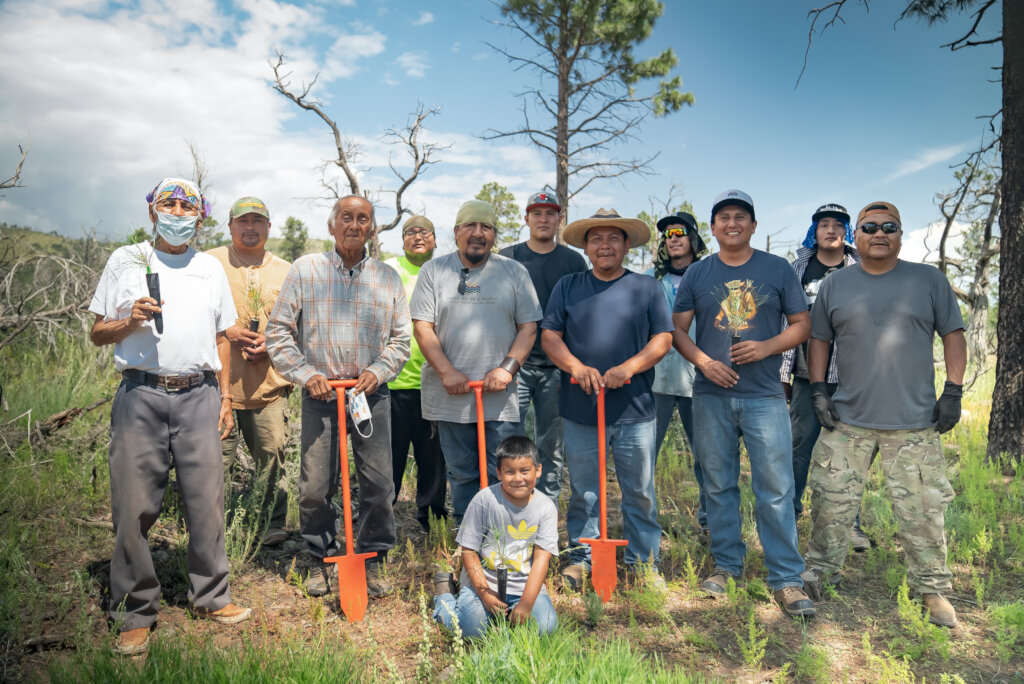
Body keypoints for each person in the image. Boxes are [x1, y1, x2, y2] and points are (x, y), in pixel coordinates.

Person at [89, 177, 249, 655]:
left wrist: (223, 397)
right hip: (141, 395)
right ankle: (135, 610)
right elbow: (98, 332)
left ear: (199, 217)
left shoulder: (208, 268)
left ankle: (211, 596)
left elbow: (223, 333)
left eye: (187, 205)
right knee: (133, 505)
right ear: (153, 211)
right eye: (168, 203)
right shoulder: (127, 260)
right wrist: (129, 321)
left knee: (206, 501)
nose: (177, 211)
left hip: (199, 396)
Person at [801, 201, 966, 628]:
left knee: (924, 511)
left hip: (914, 423)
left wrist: (953, 390)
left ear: (900, 234)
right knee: (830, 502)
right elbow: (818, 339)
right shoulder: (837, 284)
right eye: (869, 226)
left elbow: (953, 334)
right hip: (848, 419)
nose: (879, 233)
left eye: (888, 226)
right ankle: (820, 570)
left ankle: (932, 590)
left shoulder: (928, 280)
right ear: (857, 234)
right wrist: (818, 389)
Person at [672, 189, 816, 618]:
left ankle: (787, 578)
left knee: (774, 487)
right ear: (713, 228)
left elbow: (802, 324)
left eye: (741, 217)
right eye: (723, 218)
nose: (732, 223)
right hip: (711, 394)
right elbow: (678, 330)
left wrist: (767, 347)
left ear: (753, 225)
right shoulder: (699, 273)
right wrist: (703, 362)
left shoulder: (776, 269)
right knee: (718, 484)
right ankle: (727, 566)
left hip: (764, 396)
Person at [266, 195, 409, 599]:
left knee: (379, 484)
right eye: (346, 217)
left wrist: (377, 372)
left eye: (363, 219)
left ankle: (373, 556)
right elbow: (277, 332)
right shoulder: (306, 270)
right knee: (315, 486)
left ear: (372, 229)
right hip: (322, 395)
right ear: (332, 226)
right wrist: (307, 374)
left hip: (369, 396)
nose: (354, 225)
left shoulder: (387, 278)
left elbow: (401, 341)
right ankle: (322, 557)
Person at [541, 208, 673, 591]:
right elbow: (550, 336)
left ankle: (644, 562)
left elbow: (662, 339)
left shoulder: (647, 288)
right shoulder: (568, 286)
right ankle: (582, 557)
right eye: (596, 239)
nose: (605, 245)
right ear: (585, 246)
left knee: (640, 490)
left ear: (626, 244)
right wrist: (575, 367)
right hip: (582, 408)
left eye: (613, 238)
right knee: (584, 490)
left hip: (635, 409)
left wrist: (629, 368)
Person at [409, 200, 541, 523]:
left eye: (486, 227)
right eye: (470, 226)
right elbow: (422, 327)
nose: (478, 233)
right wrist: (447, 372)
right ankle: (468, 537)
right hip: (450, 395)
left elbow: (529, 327)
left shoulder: (513, 272)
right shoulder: (434, 271)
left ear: (494, 235)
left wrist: (507, 369)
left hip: (501, 397)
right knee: (463, 472)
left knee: (507, 471)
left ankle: (508, 536)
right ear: (456, 233)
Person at [778, 203, 869, 551]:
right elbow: (784, 322)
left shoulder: (859, 265)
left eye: (838, 225)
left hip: (852, 376)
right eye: (823, 224)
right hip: (805, 375)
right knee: (799, 447)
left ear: (847, 231)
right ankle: (790, 514)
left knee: (850, 451)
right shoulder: (797, 268)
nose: (831, 230)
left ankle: (851, 524)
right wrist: (783, 376)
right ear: (813, 231)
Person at [207, 197, 293, 546]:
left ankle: (272, 524)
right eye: (243, 221)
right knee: (215, 464)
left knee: (272, 457)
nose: (250, 227)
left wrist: (272, 346)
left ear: (269, 228)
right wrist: (227, 332)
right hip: (216, 387)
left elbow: (299, 326)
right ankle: (214, 529)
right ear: (230, 226)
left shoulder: (287, 270)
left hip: (268, 387)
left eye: (258, 220)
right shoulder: (210, 263)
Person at [498, 191, 588, 501]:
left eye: (550, 213)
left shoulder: (573, 260)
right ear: (526, 219)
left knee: (551, 443)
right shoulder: (507, 257)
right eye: (536, 213)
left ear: (559, 220)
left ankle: (547, 506)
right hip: (515, 367)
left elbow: (581, 312)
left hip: (557, 368)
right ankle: (508, 504)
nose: (543, 219)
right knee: (508, 439)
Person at [432, 436, 558, 638]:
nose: (518, 478)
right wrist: (484, 594)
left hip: (523, 586)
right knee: (469, 630)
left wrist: (526, 602)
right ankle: (444, 597)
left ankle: (510, 615)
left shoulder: (546, 508)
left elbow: (542, 559)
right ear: (499, 473)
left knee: (546, 628)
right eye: (510, 472)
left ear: (539, 470)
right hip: (483, 583)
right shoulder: (484, 500)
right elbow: (469, 551)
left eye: (525, 471)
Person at [644, 211, 709, 536]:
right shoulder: (649, 279)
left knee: (706, 457)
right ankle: (643, 524)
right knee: (644, 459)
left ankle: (710, 523)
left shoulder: (710, 275)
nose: (673, 238)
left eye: (680, 232)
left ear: (694, 238)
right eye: (668, 234)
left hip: (701, 380)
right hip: (655, 381)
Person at [384, 215, 447, 530]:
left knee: (433, 459)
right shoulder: (387, 269)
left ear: (435, 240)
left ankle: (432, 521)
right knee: (388, 460)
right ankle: (381, 521)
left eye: (425, 232)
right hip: (392, 385)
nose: (417, 237)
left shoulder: (447, 270)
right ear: (403, 240)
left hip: (436, 383)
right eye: (410, 232)